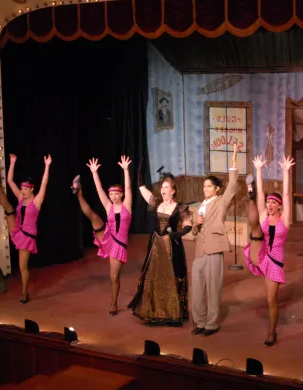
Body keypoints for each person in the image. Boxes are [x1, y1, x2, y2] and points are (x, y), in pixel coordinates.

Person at [127, 164, 192, 325]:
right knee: (153, 277)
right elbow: (142, 189)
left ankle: (172, 313)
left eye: (166, 187)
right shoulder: (156, 203)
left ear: (173, 191)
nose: (163, 189)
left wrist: (177, 234)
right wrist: (140, 172)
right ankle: (153, 311)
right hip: (156, 245)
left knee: (172, 277)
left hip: (171, 246)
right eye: (162, 187)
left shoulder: (180, 207)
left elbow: (188, 225)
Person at [243, 154, 295, 346]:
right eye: (268, 202)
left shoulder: (284, 219)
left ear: (279, 206)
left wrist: (285, 172)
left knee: (271, 300)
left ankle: (272, 331)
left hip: (274, 263)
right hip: (261, 254)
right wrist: (258, 170)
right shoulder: (264, 214)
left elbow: (286, 194)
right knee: (256, 223)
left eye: (274, 203)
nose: (270, 205)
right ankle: (249, 192)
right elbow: (261, 194)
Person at [190, 143, 239, 336]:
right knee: (197, 289)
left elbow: (232, 187)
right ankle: (200, 321)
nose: (205, 189)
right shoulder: (200, 205)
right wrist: (196, 224)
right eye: (204, 186)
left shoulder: (221, 202)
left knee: (213, 288)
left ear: (217, 189)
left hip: (213, 249)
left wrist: (233, 160)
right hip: (199, 251)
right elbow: (195, 231)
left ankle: (211, 323)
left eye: (209, 186)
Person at [0, 153, 52, 304]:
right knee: (8, 208)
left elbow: (44, 184)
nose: (23, 191)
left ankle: (25, 292)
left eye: (25, 189)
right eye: (22, 188)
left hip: (27, 236)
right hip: (17, 229)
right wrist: (12, 163)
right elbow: (10, 181)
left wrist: (47, 166)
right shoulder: (20, 197)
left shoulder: (37, 201)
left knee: (22, 267)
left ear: (31, 189)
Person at [79, 156, 132, 316]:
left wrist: (126, 170)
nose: (113, 196)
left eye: (116, 193)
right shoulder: (109, 206)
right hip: (107, 237)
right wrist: (94, 172)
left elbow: (129, 188)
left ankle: (114, 303)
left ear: (121, 195)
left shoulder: (127, 206)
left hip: (119, 245)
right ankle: (79, 194)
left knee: (114, 277)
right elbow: (99, 190)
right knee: (94, 217)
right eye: (111, 194)